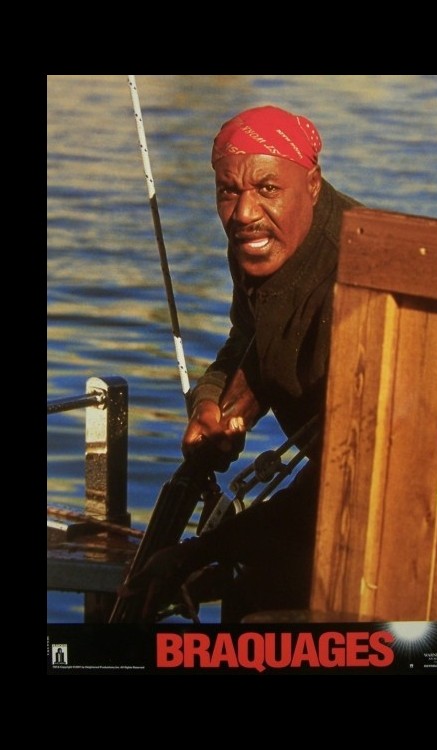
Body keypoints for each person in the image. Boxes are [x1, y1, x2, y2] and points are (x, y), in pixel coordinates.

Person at [120, 105, 362, 623]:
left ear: (313, 184)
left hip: (375, 509)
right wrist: (213, 401)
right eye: (228, 191)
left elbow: (350, 483)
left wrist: (203, 551)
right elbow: (249, 338)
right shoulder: (260, 243)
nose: (244, 212)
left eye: (267, 188)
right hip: (329, 493)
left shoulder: (355, 282)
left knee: (259, 606)